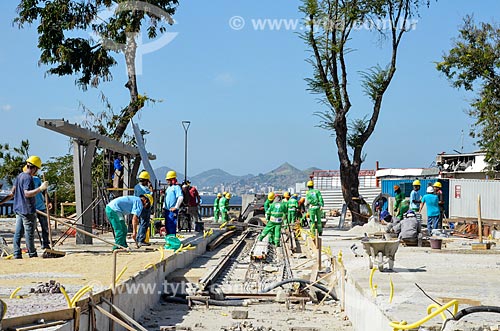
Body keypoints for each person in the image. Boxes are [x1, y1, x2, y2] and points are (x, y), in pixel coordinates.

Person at [13, 156, 49, 258]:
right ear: (34, 168)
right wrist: (40, 188)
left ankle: (16, 253)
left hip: (19, 209)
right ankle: (32, 254)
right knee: (29, 234)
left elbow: (13, 191)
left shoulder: (20, 176)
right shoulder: (28, 178)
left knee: (18, 232)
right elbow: (27, 194)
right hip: (27, 209)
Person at [134, 171, 153, 246]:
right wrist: (151, 190)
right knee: (144, 223)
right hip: (145, 207)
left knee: (141, 223)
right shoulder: (144, 189)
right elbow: (149, 196)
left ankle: (139, 239)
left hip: (138, 207)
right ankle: (141, 240)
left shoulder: (136, 187)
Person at [33, 173, 52, 249]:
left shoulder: (36, 179)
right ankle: (30, 246)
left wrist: (49, 201)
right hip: (31, 208)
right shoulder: (24, 180)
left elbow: (43, 190)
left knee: (45, 227)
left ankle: (46, 244)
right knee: (31, 228)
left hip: (41, 206)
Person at [163, 171, 183, 235]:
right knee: (167, 226)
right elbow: (166, 198)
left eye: (168, 180)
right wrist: (164, 207)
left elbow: (180, 197)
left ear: (173, 180)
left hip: (172, 210)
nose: (167, 181)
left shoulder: (176, 188)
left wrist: (176, 207)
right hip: (167, 210)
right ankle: (169, 240)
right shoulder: (168, 188)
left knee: (171, 226)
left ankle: (172, 240)